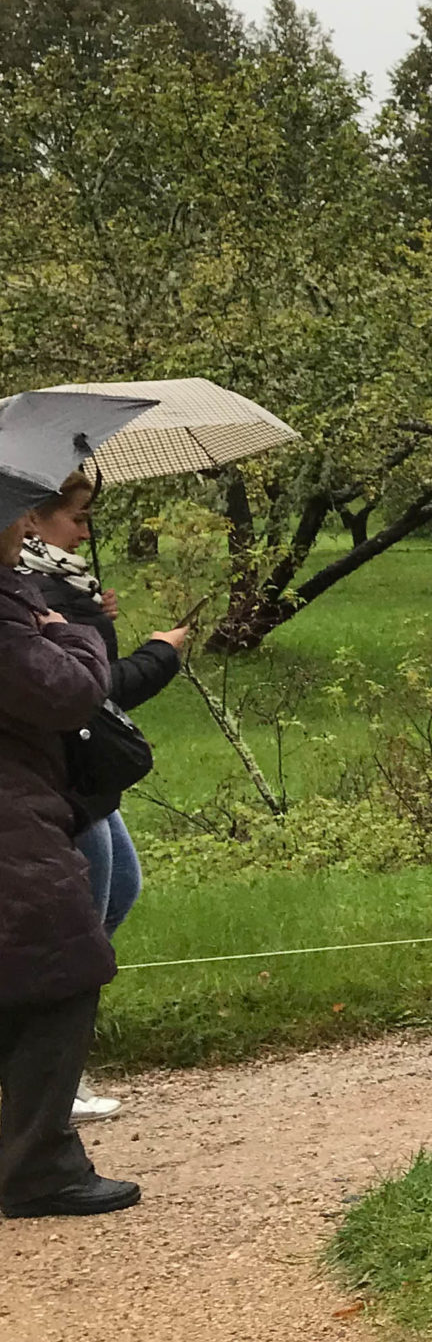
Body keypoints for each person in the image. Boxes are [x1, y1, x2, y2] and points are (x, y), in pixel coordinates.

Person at [15, 475, 187, 1118]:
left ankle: (52, 1064)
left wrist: (92, 619)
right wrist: (159, 653)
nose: (86, 533)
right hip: (60, 776)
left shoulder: (63, 585)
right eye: (78, 518)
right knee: (75, 926)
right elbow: (89, 689)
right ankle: (48, 1077)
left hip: (85, 775)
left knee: (117, 893)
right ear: (31, 519)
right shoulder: (32, 590)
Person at [0, 499, 136, 1218]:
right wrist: (73, 632)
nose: (25, 528)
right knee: (62, 967)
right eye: (17, 518)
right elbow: (69, 691)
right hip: (12, 816)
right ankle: (39, 1169)